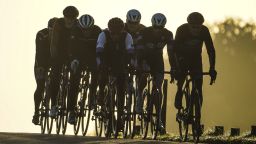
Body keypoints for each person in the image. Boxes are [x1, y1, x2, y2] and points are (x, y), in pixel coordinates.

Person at [171, 12, 217, 124]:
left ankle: (195, 117)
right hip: (182, 58)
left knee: (198, 88)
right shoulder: (181, 30)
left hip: (196, 60)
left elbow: (210, 50)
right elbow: (174, 51)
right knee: (181, 77)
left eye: (198, 27)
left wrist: (212, 68)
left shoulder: (204, 31)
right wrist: (175, 67)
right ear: (188, 25)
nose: (196, 30)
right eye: (193, 27)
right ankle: (179, 91)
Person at [135, 13, 174, 131]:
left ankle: (159, 119)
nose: (157, 30)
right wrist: (140, 64)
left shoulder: (168, 34)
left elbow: (171, 53)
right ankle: (139, 97)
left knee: (158, 87)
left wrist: (173, 67)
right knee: (144, 73)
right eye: (155, 27)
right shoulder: (144, 32)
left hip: (158, 61)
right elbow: (138, 49)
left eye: (160, 28)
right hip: (144, 58)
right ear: (152, 25)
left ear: (164, 26)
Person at [96, 17, 134, 131]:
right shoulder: (103, 34)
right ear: (109, 30)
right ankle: (101, 93)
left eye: (118, 34)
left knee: (121, 88)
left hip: (120, 61)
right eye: (113, 33)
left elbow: (130, 53)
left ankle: (120, 114)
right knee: (102, 75)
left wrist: (131, 65)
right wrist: (100, 65)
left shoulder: (127, 36)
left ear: (122, 31)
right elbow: (99, 51)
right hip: (106, 59)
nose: (115, 36)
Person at [67, 14, 102, 124]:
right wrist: (73, 59)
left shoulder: (97, 31)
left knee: (96, 74)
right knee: (73, 82)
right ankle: (71, 112)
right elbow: (71, 47)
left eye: (89, 29)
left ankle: (92, 97)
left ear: (92, 27)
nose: (86, 32)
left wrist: (99, 60)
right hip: (79, 58)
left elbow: (101, 46)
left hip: (92, 57)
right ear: (80, 27)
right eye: (84, 30)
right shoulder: (75, 31)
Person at [49, 6, 79, 117]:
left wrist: (76, 58)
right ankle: (53, 105)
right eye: (68, 18)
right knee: (55, 76)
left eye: (72, 18)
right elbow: (54, 42)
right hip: (59, 53)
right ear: (64, 17)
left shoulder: (78, 25)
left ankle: (71, 109)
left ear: (75, 18)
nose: (70, 20)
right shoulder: (59, 23)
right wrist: (54, 58)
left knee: (75, 79)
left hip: (72, 54)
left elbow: (79, 43)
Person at [32, 17, 57, 125]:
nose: (52, 34)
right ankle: (36, 112)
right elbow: (39, 53)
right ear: (48, 28)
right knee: (40, 85)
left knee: (55, 82)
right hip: (41, 61)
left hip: (54, 60)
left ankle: (54, 105)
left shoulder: (61, 36)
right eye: (51, 31)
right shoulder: (41, 35)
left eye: (55, 32)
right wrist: (41, 67)